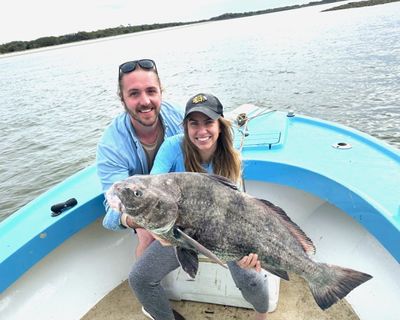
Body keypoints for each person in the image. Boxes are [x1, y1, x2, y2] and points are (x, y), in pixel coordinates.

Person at [128, 93, 269, 320]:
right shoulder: (172, 148)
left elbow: (239, 209)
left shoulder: (232, 158)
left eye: (208, 122)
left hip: (223, 234)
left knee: (250, 278)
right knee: (140, 278)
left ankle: (262, 315)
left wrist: (248, 252)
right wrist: (148, 226)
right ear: (185, 127)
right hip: (181, 232)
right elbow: (152, 189)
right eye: (194, 123)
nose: (201, 131)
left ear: (220, 125)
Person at [96, 58, 186, 319]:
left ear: (161, 91)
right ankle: (153, 302)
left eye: (151, 91)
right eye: (134, 93)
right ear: (122, 98)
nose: (145, 101)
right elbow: (112, 206)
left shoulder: (180, 117)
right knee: (145, 247)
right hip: (144, 208)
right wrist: (139, 223)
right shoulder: (111, 144)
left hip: (181, 199)